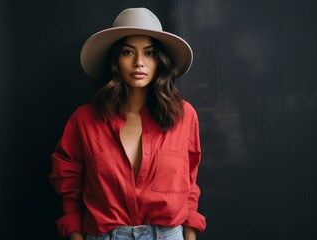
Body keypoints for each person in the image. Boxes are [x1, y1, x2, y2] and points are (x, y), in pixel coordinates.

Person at [49, 7, 206, 240]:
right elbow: (69, 189)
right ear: (115, 60)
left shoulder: (184, 115)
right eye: (128, 52)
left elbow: (190, 184)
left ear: (160, 60)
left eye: (149, 53)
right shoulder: (84, 120)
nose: (139, 63)